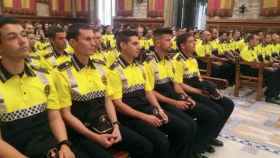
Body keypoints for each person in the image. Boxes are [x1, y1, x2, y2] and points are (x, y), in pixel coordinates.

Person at [54, 23, 153, 158]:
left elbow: (107, 100)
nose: (94, 43)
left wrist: (116, 125)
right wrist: (94, 137)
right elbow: (66, 114)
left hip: (106, 123)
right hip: (82, 131)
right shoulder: (62, 72)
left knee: (145, 146)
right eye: (88, 39)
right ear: (72, 43)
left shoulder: (100, 67)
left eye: (94, 39)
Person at [107, 30, 193, 158]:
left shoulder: (139, 67)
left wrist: (158, 109)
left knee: (183, 128)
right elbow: (118, 104)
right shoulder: (114, 71)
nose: (140, 47)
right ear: (123, 46)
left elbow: (148, 92)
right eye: (135, 44)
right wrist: (145, 117)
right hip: (130, 116)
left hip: (146, 108)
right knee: (161, 142)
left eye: (139, 43)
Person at [0, 16, 77, 158]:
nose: (23, 41)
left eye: (23, 35)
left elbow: (54, 117)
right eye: (12, 37)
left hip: (52, 148)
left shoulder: (43, 76)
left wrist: (64, 144)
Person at [143, 28, 222, 158]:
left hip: (173, 97)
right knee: (187, 126)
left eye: (171, 39)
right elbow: (150, 91)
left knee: (196, 121)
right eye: (168, 40)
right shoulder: (149, 63)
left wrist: (186, 97)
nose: (171, 43)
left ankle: (191, 152)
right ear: (157, 43)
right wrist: (175, 102)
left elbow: (176, 85)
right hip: (162, 101)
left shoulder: (168, 61)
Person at [174, 32, 235, 149]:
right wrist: (199, 92)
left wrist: (211, 89)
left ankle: (210, 137)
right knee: (216, 112)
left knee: (228, 104)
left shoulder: (192, 59)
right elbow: (179, 84)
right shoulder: (177, 60)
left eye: (194, 41)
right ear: (182, 46)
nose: (195, 43)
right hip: (188, 93)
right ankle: (199, 144)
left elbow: (199, 78)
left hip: (199, 89)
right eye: (191, 42)